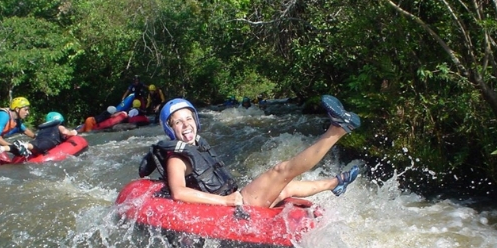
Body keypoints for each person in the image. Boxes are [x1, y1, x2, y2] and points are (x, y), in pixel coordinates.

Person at [139, 95, 360, 209]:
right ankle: (337, 130)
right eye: (178, 122)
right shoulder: (177, 158)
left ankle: (335, 183)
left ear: (196, 120)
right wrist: (226, 202)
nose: (186, 125)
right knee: (281, 170)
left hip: (236, 200)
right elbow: (179, 193)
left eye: (189, 118)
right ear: (170, 128)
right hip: (232, 207)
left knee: (286, 187)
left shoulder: (197, 146)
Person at [0, 112, 78, 163]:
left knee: (30, 147)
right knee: (38, 146)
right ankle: (23, 144)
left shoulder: (42, 129)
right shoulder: (58, 126)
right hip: (48, 141)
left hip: (37, 140)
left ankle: (2, 148)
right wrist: (73, 132)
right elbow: (65, 132)